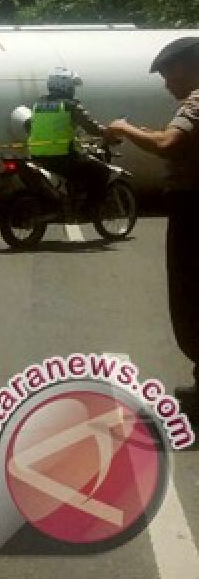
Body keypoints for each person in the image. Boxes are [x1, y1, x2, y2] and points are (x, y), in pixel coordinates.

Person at [106, 36, 199, 416]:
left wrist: (125, 129)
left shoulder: (196, 102)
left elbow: (167, 143)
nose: (166, 84)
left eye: (167, 74)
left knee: (191, 296)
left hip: (194, 212)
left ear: (185, 68)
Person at [26, 67, 116, 211]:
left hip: (37, 157)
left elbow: (31, 127)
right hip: (63, 158)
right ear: (65, 85)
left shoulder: (38, 104)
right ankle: (89, 209)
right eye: (72, 86)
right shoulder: (70, 106)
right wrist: (107, 133)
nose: (73, 89)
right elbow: (90, 126)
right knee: (102, 171)